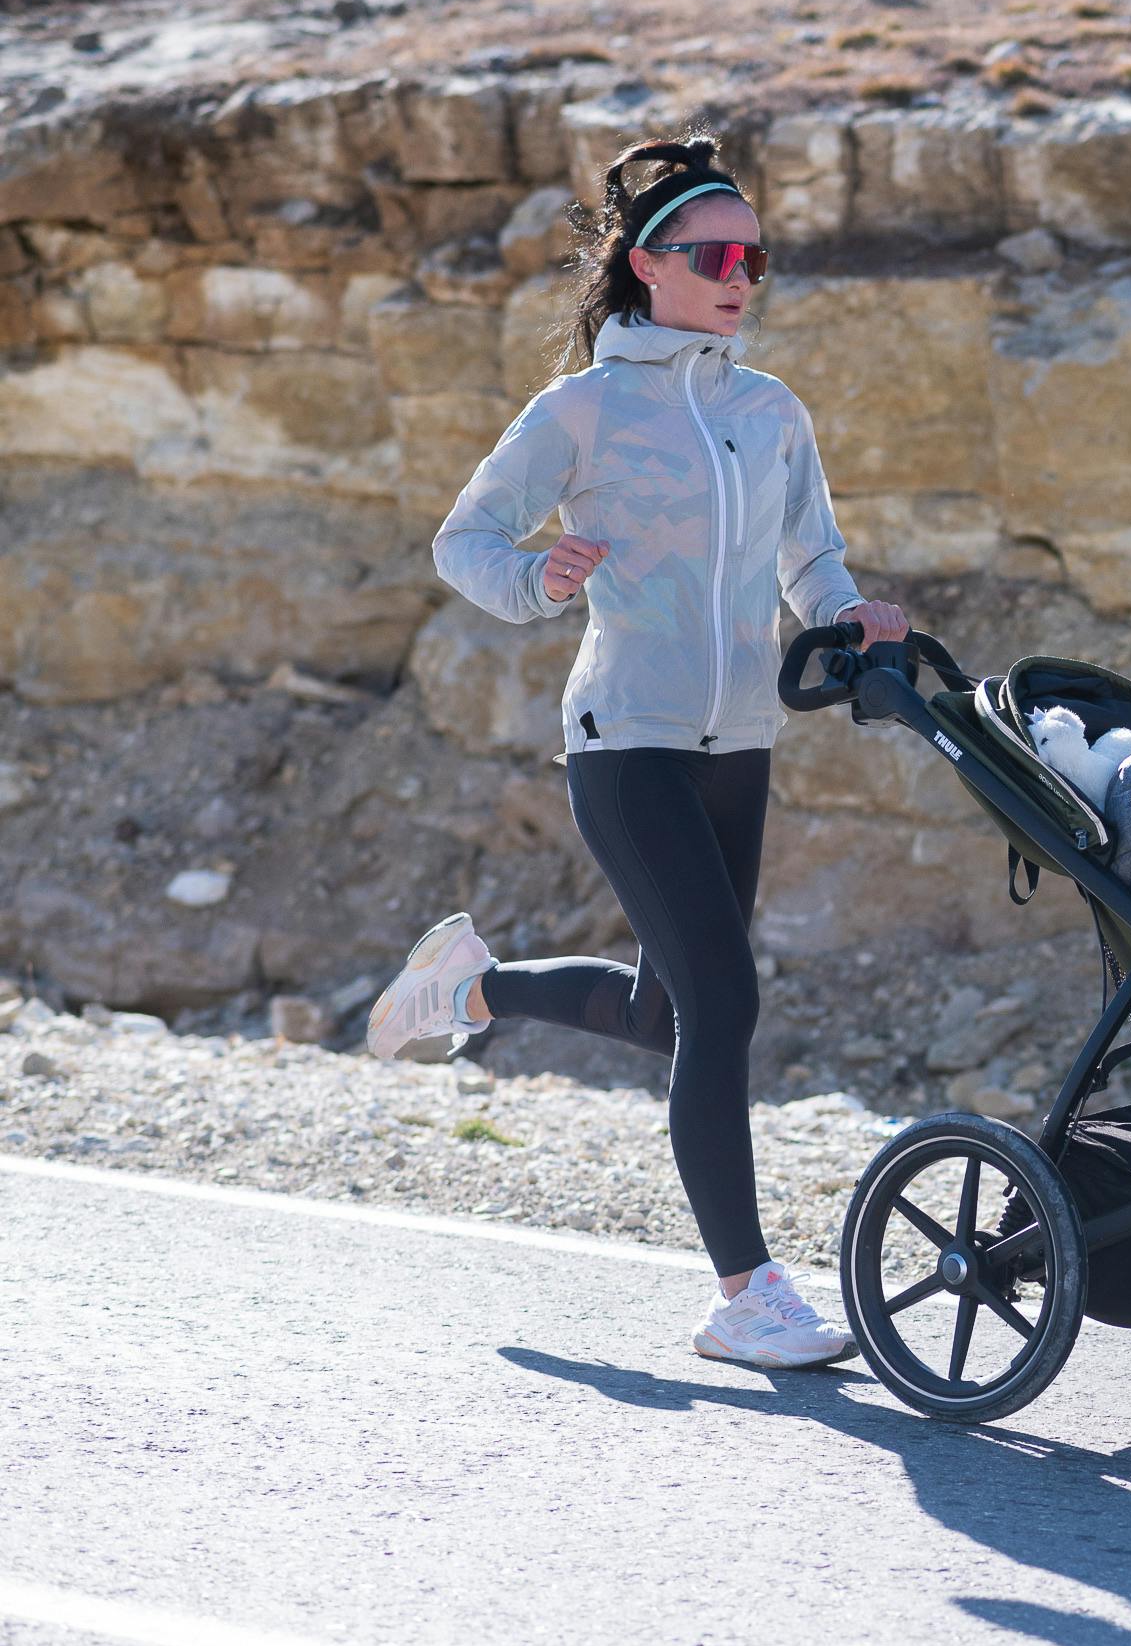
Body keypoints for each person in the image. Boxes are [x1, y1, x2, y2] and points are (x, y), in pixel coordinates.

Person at [364, 134, 907, 1370]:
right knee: (725, 1000)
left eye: (756, 256)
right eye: (716, 254)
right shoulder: (580, 410)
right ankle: (744, 1294)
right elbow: (467, 540)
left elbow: (809, 561)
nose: (740, 275)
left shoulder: (769, 411)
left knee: (674, 1011)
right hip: (626, 739)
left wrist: (849, 611)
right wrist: (536, 575)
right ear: (647, 264)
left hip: (739, 740)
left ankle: (471, 988)